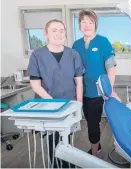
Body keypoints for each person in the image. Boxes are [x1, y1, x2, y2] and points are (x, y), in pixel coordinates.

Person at [27, 19, 84, 168]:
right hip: (47, 107)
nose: (58, 34)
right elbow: (35, 84)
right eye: (54, 30)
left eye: (62, 30)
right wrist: (53, 103)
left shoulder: (73, 54)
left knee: (68, 139)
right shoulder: (37, 55)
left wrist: (79, 105)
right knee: (52, 140)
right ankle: (56, 165)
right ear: (46, 33)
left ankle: (69, 165)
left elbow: (79, 82)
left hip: (69, 105)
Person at [72, 9, 121, 156]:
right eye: (83, 22)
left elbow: (111, 68)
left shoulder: (103, 41)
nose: (86, 25)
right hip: (81, 91)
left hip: (97, 92)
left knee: (93, 124)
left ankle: (94, 154)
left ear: (95, 25)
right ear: (79, 24)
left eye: (90, 22)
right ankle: (97, 146)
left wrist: (110, 90)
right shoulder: (76, 44)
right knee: (88, 121)